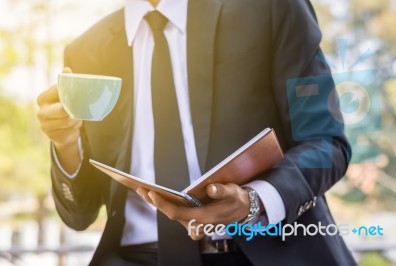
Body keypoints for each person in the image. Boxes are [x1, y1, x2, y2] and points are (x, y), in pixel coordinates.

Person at [37, 0, 357, 265]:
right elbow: (79, 215)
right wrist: (66, 143)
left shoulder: (272, 8)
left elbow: (326, 142)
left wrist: (255, 202)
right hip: (136, 256)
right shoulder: (86, 52)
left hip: (264, 252)